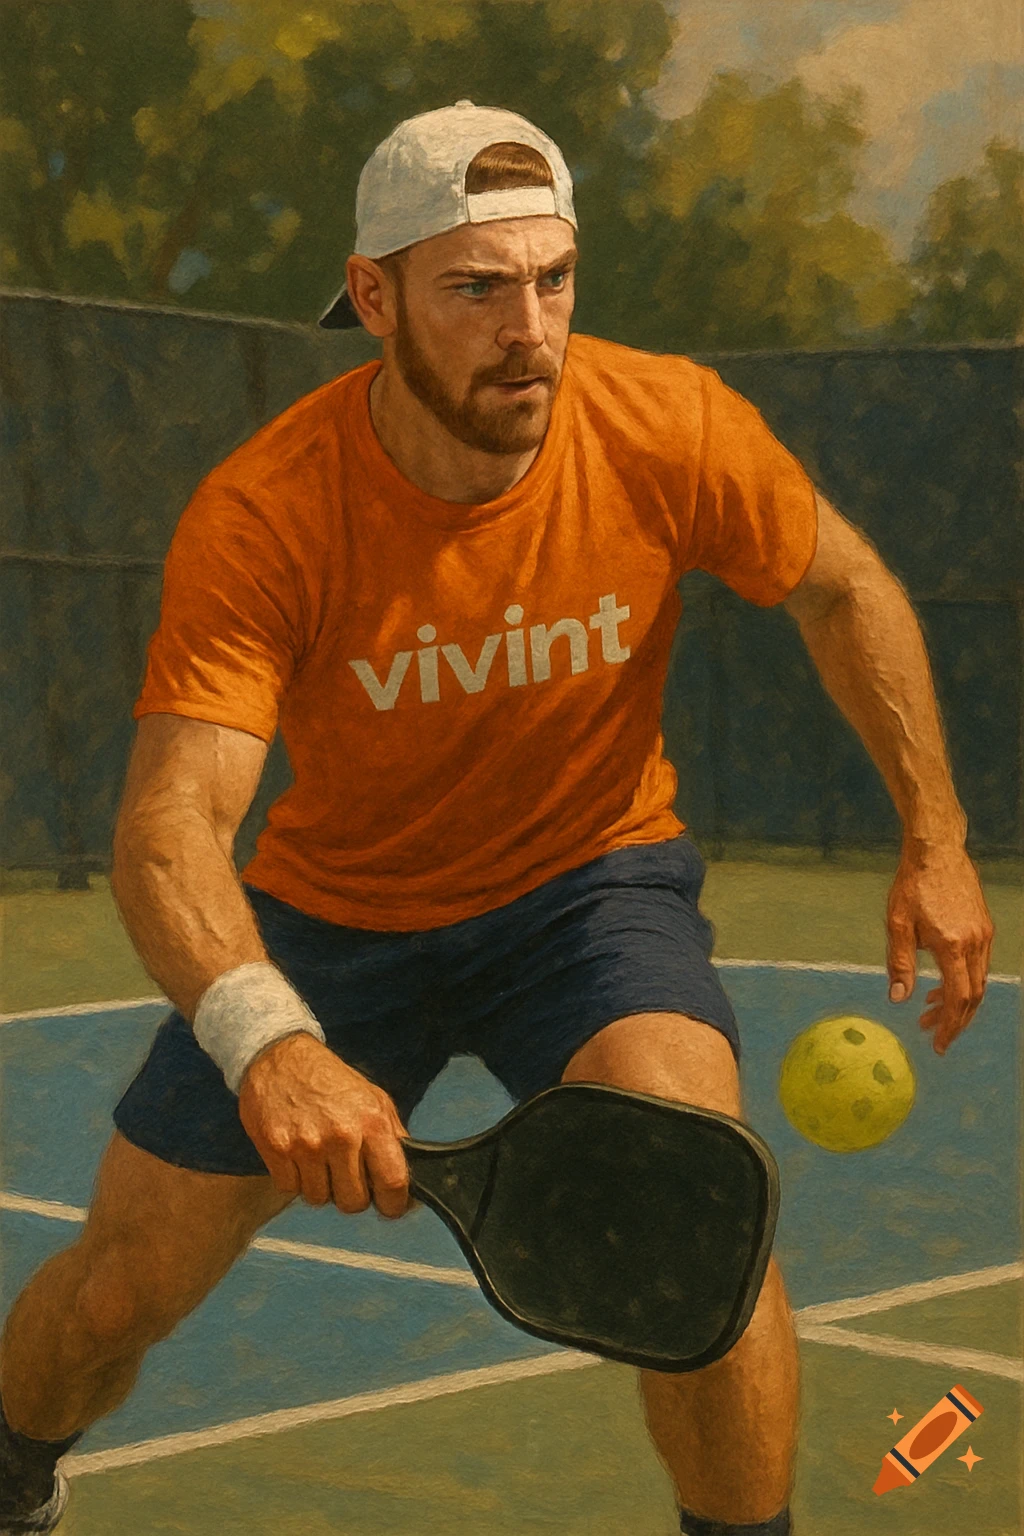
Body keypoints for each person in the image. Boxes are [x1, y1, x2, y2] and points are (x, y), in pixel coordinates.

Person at [0, 101, 994, 1536]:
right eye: (476, 287)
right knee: (116, 1293)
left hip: (589, 892)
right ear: (374, 294)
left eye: (553, 278)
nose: (528, 326)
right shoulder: (268, 513)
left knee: (687, 1218)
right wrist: (270, 1043)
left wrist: (938, 835)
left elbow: (846, 587)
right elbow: (170, 824)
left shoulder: (668, 427)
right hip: (336, 919)